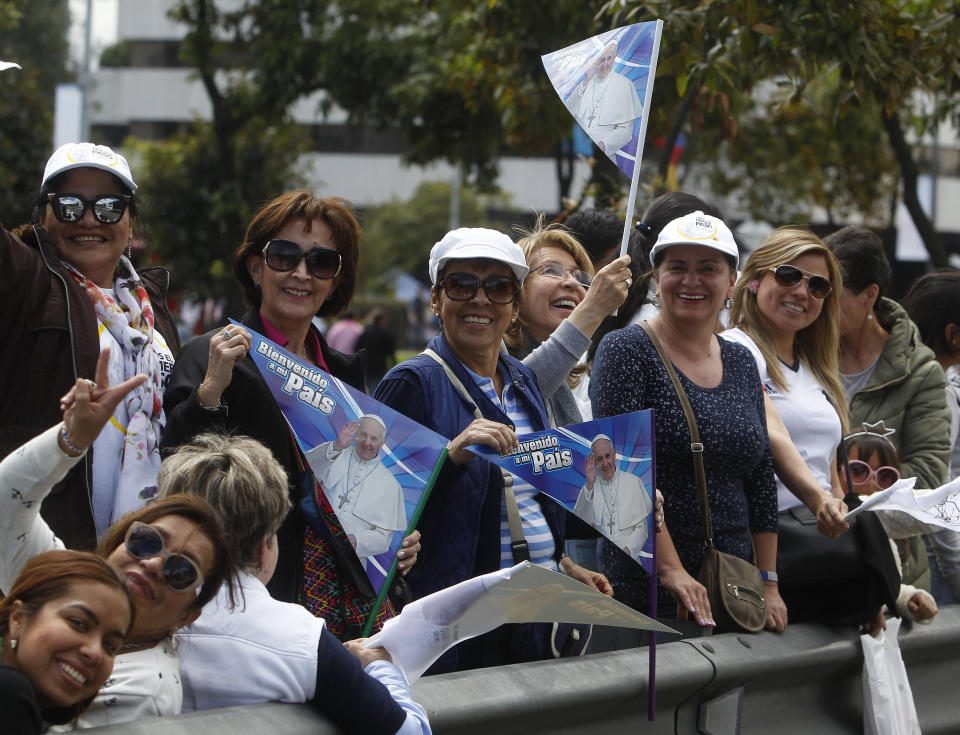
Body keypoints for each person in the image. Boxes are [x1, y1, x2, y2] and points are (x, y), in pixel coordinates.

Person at [161, 191, 418, 641]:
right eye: (283, 256)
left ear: (336, 281)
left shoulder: (341, 373)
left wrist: (393, 539)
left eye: (321, 262)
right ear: (256, 268)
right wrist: (211, 391)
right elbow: (177, 471)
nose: (301, 273)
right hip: (249, 597)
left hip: (350, 594)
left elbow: (364, 486)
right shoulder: (214, 356)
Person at [376, 227, 611, 672]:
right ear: (435, 299)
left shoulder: (522, 382)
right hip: (462, 629)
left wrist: (558, 559)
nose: (480, 300)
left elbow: (530, 496)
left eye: (498, 287)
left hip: (537, 621)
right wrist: (451, 456)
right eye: (462, 284)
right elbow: (375, 512)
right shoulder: (413, 383)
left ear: (515, 305)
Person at [0, 351, 236, 727]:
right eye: (147, 541)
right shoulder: (67, 582)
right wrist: (71, 440)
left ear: (186, 616)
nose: (155, 564)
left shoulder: (145, 691)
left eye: (181, 571)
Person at [591, 211, 785, 632]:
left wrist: (768, 583)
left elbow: (760, 478)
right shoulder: (625, 350)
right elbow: (617, 470)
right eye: (676, 268)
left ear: (732, 282)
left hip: (734, 590)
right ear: (656, 280)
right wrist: (672, 571)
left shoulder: (741, 360)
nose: (691, 281)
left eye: (708, 269)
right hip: (649, 594)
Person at [160, 434, 430, 734]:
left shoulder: (134, 616)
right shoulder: (302, 639)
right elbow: (410, 731)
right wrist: (379, 666)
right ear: (263, 549)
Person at [1, 142, 180, 552]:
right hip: (43, 553)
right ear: (42, 218)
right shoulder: (27, 284)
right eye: (68, 205)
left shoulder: (150, 308)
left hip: (138, 559)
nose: (88, 219)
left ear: (131, 222)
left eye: (109, 207)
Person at [826, 227, 951, 594]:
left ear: (870, 296)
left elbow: (927, 478)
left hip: (887, 574)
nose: (818, 302)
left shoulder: (921, 373)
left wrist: (832, 494)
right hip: (805, 560)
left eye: (834, 294)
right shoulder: (800, 353)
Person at [724, 228, 848, 512]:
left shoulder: (816, 367)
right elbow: (772, 434)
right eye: (788, 275)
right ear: (755, 279)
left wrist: (842, 518)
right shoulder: (734, 349)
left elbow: (831, 480)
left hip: (817, 537)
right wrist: (821, 501)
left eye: (817, 286)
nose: (802, 292)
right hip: (766, 534)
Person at [0, 550, 135, 734]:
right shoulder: (8, 691)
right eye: (78, 623)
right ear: (18, 618)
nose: (94, 652)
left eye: (110, 645)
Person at [837, 426, 938, 631]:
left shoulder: (882, 526)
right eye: (858, 470)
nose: (873, 482)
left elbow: (881, 582)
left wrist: (909, 598)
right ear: (834, 470)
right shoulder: (831, 524)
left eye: (885, 476)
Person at [902, 270, 960, 603]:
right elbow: (940, 494)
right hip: (933, 560)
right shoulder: (938, 391)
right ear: (952, 334)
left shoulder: (892, 374)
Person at [305, 415, 407, 567]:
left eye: (374, 438)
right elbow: (306, 470)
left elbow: (384, 539)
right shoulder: (335, 450)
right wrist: (337, 446)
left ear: (382, 443)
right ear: (356, 434)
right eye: (363, 435)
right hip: (310, 540)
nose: (367, 442)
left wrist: (358, 541)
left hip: (349, 562)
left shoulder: (391, 485)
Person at [573, 435, 652, 562]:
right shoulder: (589, 487)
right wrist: (590, 484)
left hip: (631, 556)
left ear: (614, 455)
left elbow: (641, 529)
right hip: (604, 559)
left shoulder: (634, 482)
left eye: (607, 456)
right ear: (594, 461)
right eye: (599, 459)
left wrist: (628, 550)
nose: (605, 463)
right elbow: (583, 525)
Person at [569, 40, 643, 155]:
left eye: (609, 59)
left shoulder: (624, 85)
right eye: (601, 59)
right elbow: (570, 109)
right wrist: (586, 80)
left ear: (614, 58)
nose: (605, 64)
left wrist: (605, 144)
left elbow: (625, 131)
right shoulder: (586, 82)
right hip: (577, 153)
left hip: (604, 154)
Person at [356, 309, 397, 393]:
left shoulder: (365, 332)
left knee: (368, 389)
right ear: (382, 320)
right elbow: (391, 353)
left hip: (366, 367)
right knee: (377, 391)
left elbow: (357, 349)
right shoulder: (385, 334)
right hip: (380, 368)